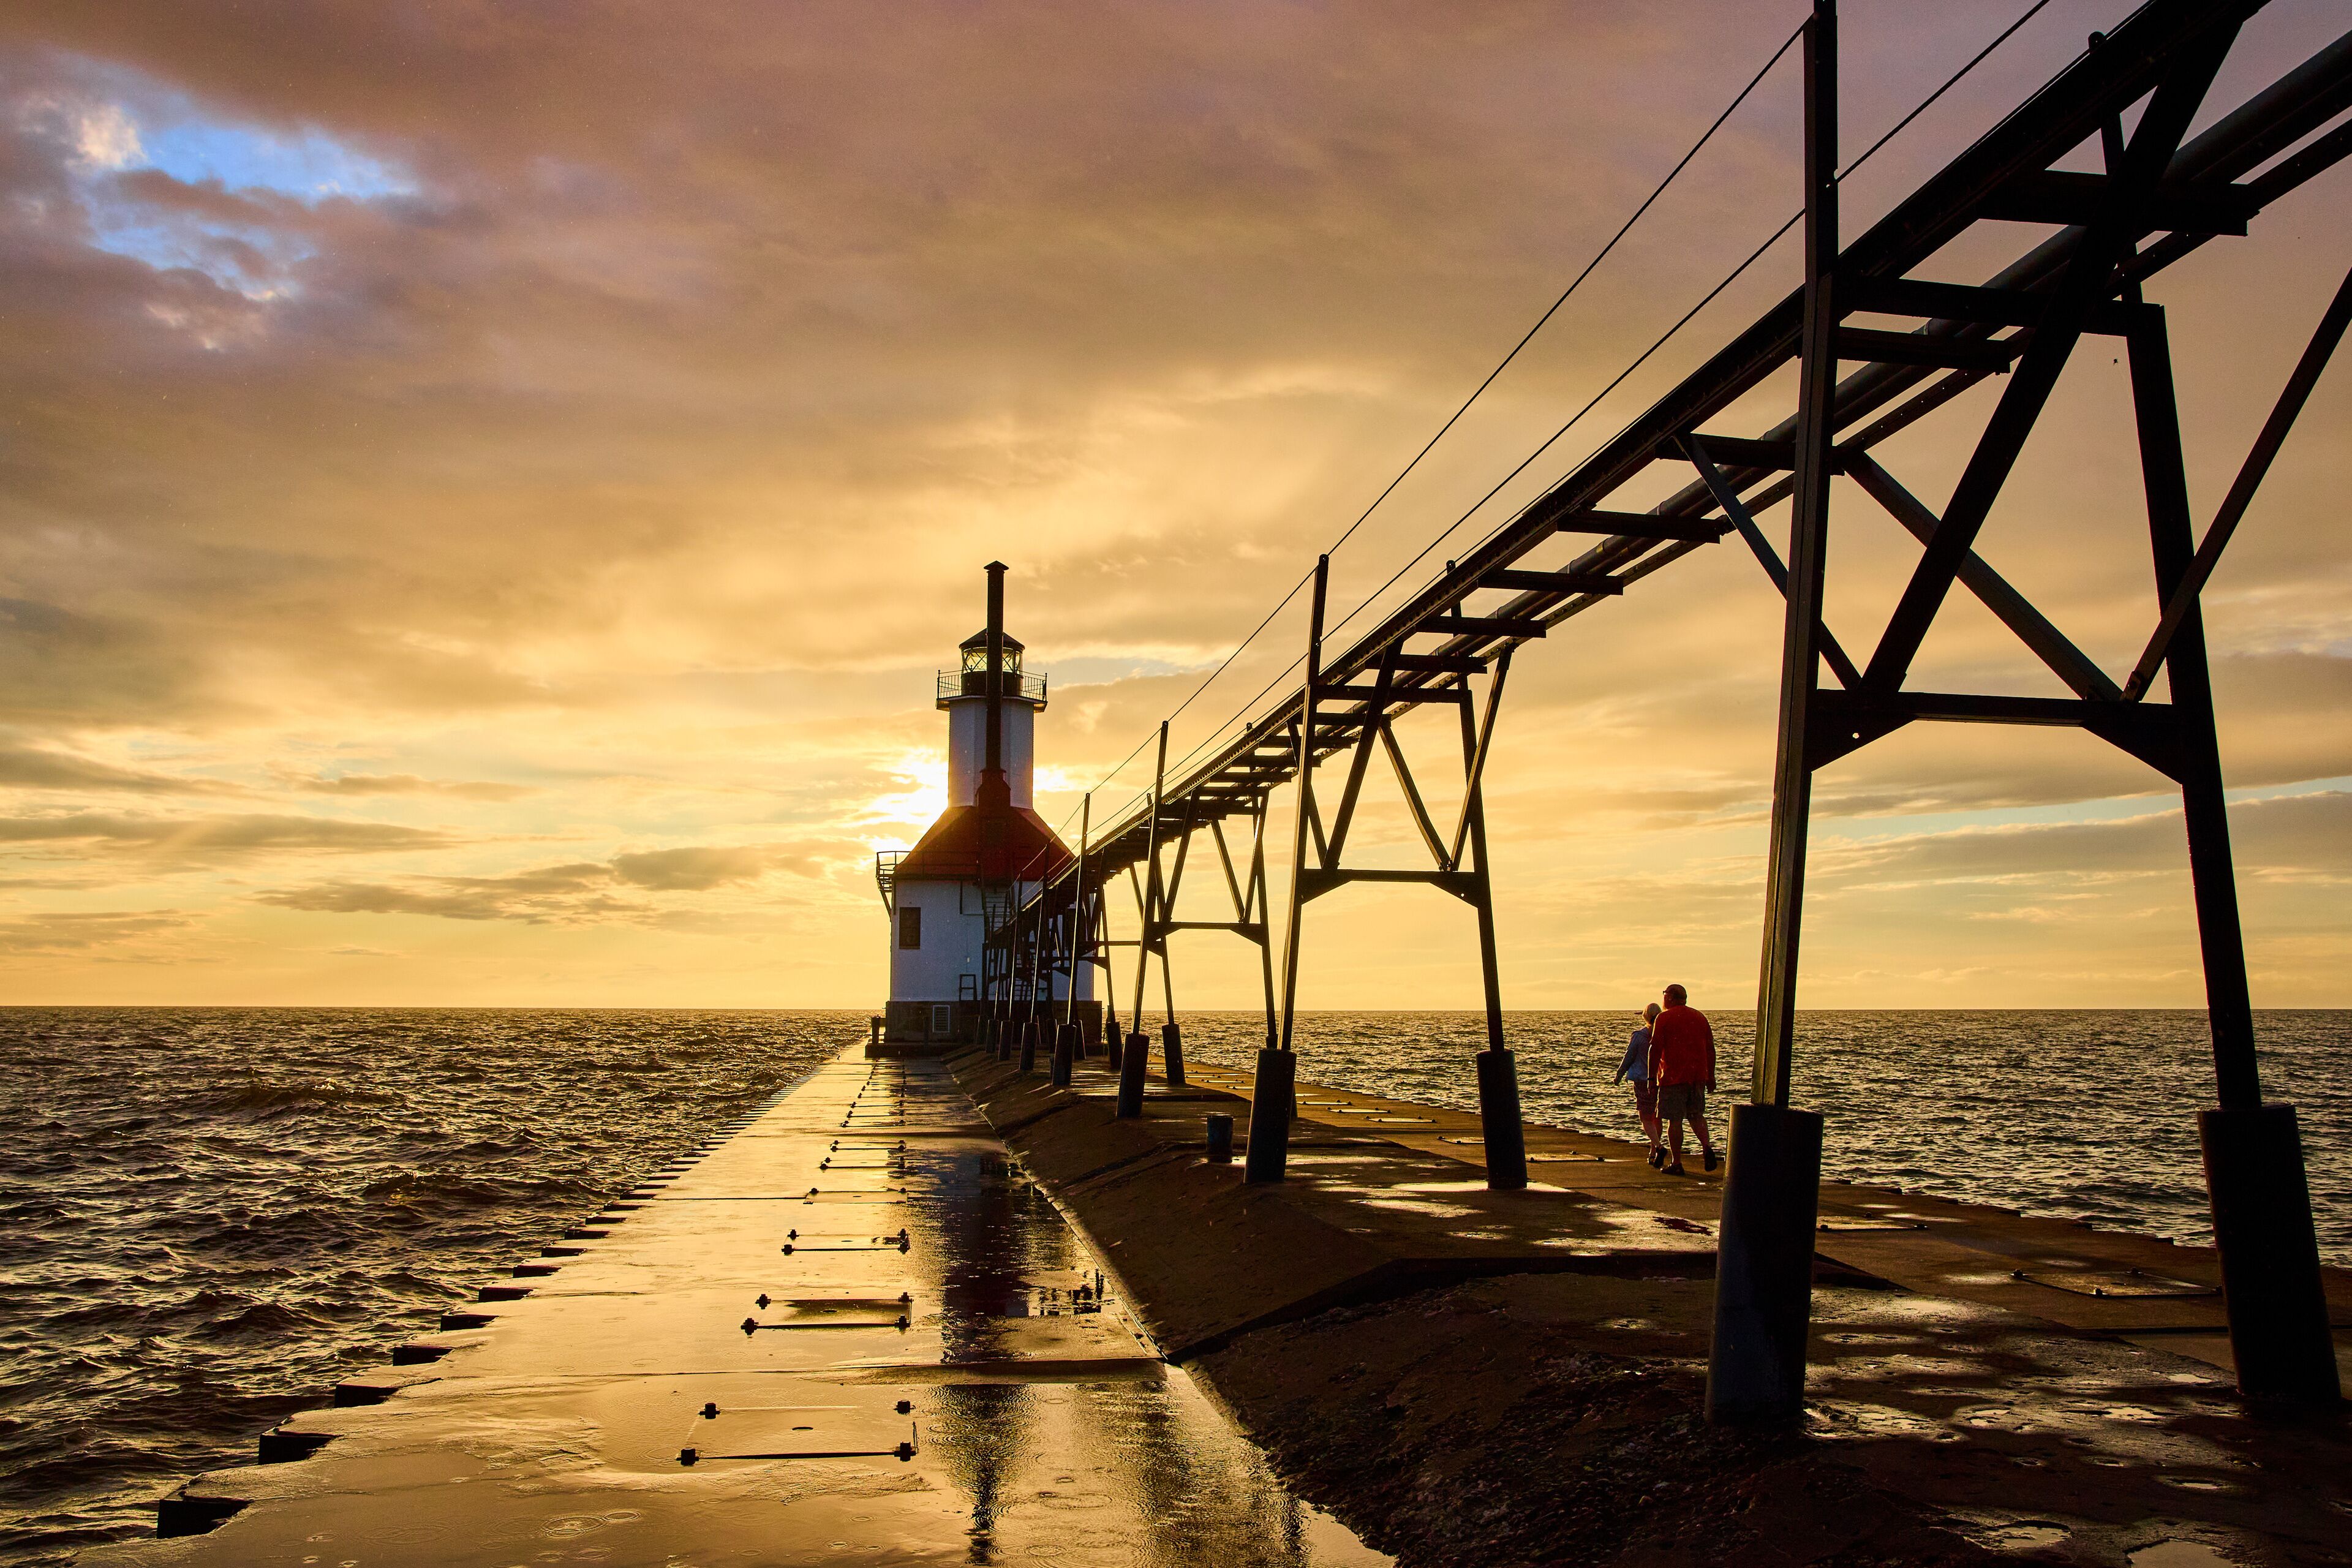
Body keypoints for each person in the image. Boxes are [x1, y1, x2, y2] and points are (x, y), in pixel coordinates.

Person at [1646, 982, 1716, 1176]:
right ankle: (1707, 1146)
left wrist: (1652, 1078)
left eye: (1665, 994)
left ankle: (1677, 1162)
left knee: (1674, 1120)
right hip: (1697, 1076)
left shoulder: (1664, 1018)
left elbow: (1655, 1049)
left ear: (1669, 997)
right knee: (1696, 1115)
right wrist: (1711, 1076)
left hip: (1672, 1076)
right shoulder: (1699, 1017)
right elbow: (1710, 1048)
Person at [1613, 1003, 1664, 1167]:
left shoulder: (1639, 1037)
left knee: (1645, 1118)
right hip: (1660, 1079)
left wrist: (1619, 1074)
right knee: (1656, 1116)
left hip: (1642, 1080)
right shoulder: (1662, 1036)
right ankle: (1653, 1152)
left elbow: (1629, 1057)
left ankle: (1658, 1147)